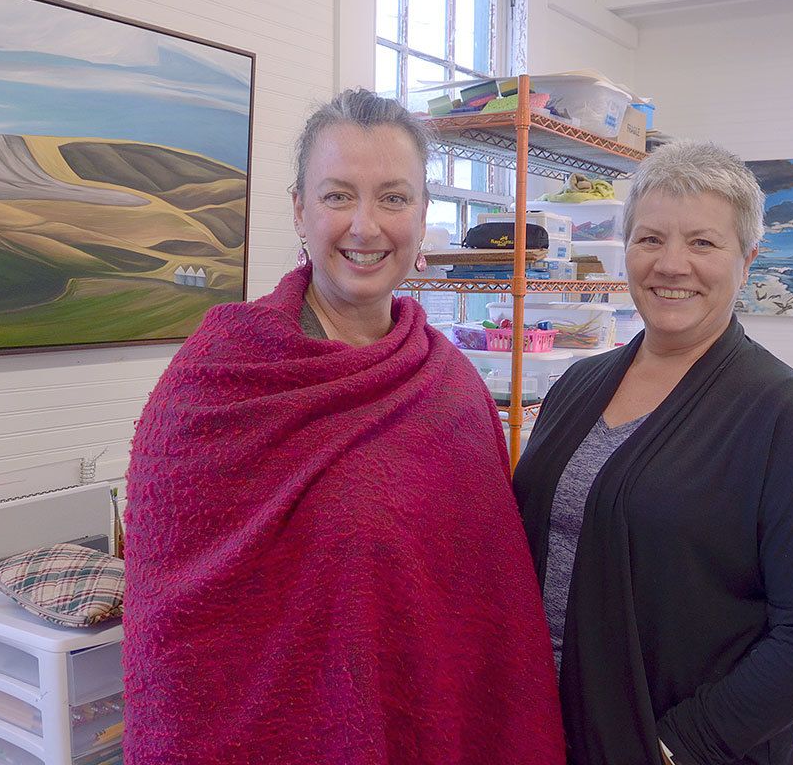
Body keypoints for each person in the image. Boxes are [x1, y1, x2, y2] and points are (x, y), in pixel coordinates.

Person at [123, 89, 564, 765]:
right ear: (300, 210)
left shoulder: (451, 389)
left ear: (422, 216)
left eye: (393, 197)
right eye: (337, 196)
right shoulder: (216, 381)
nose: (365, 226)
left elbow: (486, 614)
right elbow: (175, 622)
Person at [513, 141, 793, 765]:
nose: (671, 264)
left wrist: (680, 744)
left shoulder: (782, 413)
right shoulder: (575, 386)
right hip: (548, 728)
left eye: (703, 243)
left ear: (748, 259)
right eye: (650, 239)